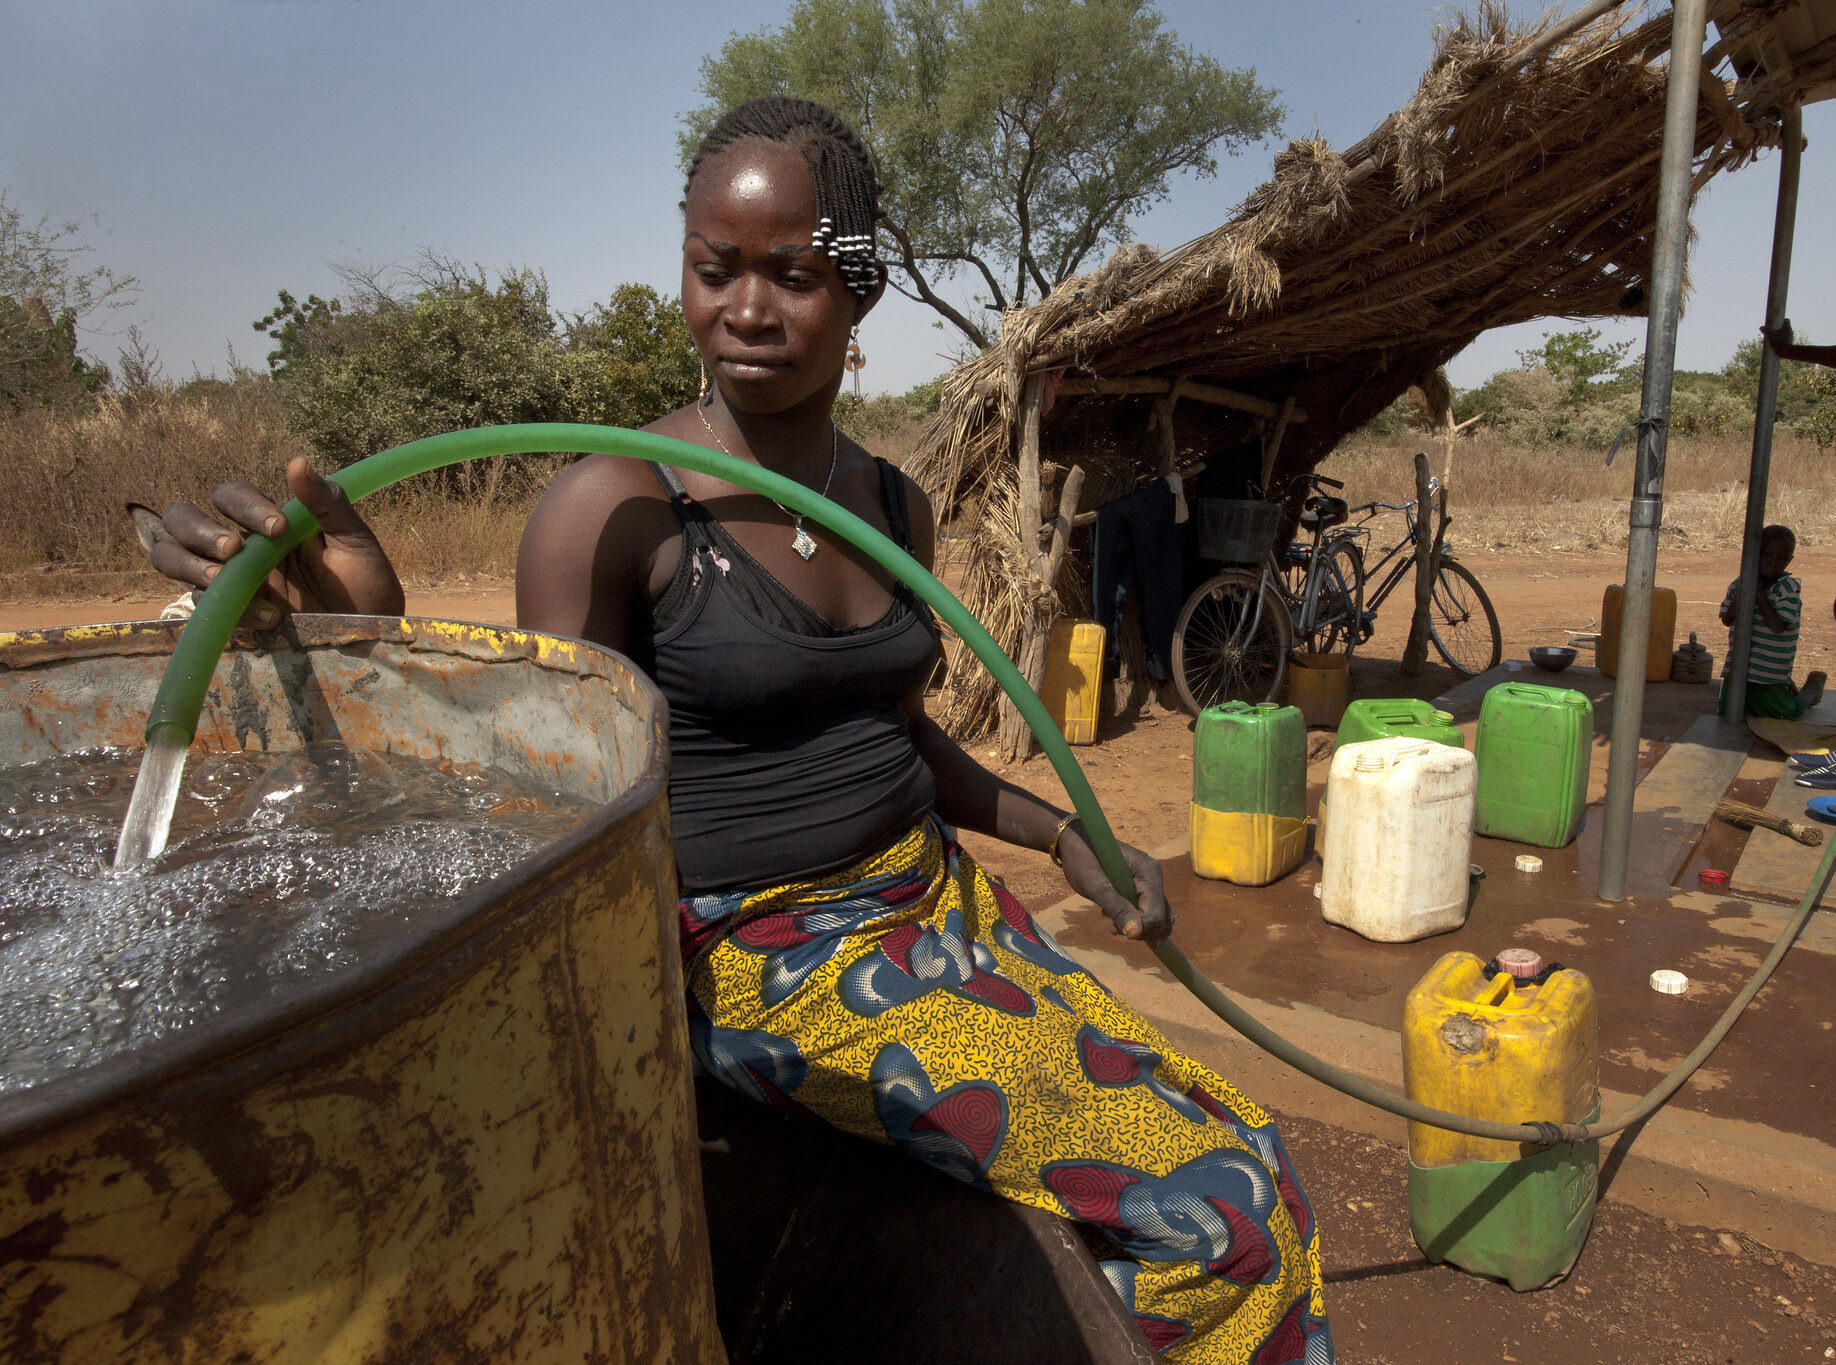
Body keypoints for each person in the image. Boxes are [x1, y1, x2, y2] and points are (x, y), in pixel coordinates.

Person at [146, 98, 1330, 1362]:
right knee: (1227, 1217)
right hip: (765, 962)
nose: (746, 311)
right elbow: (543, 790)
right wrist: (362, 637)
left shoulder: (892, 503)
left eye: (795, 276)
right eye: (716, 270)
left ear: (862, 293)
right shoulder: (613, 506)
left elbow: (894, 740)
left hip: (937, 911)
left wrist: (1060, 837)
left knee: (1250, 1150)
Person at [1718, 523, 1824, 719]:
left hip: (1769, 674)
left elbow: (1776, 626)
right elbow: (1727, 619)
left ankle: (1812, 691)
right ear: (1754, 554)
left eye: (1782, 558)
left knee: (1786, 714)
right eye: (1767, 555)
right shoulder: (1738, 584)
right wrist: (1746, 588)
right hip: (1737, 672)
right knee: (1728, 712)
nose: (1773, 562)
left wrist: (1758, 593)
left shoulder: (1787, 588)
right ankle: (1787, 690)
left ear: (1789, 560)